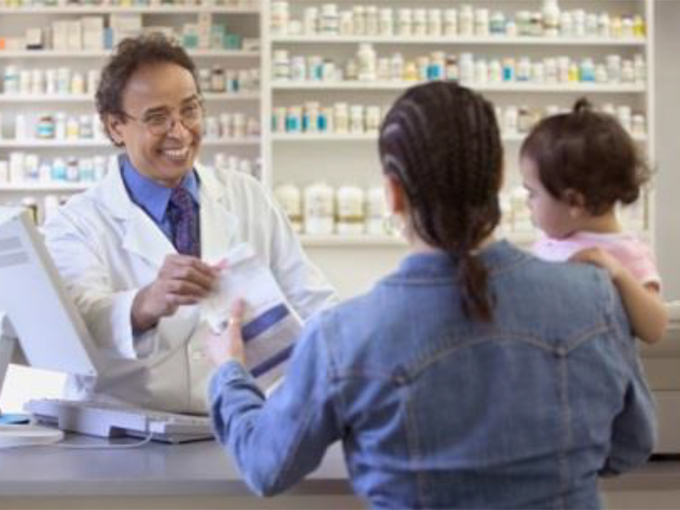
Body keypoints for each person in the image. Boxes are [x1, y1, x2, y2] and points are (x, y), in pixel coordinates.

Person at [205, 82, 656, 509]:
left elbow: (266, 466)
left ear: (393, 194)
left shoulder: (344, 335)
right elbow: (632, 445)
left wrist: (229, 371)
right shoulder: (593, 296)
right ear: (499, 177)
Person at [43, 33, 335, 413]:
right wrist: (145, 303)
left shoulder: (249, 196)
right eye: (157, 117)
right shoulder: (76, 223)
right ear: (116, 126)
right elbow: (77, 323)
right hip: (122, 431)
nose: (180, 131)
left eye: (190, 110)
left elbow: (307, 297)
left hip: (235, 422)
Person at [520, 98, 668, 345]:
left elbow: (654, 330)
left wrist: (619, 273)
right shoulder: (548, 243)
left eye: (533, 193)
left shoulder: (626, 253)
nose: (528, 203)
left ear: (574, 202)